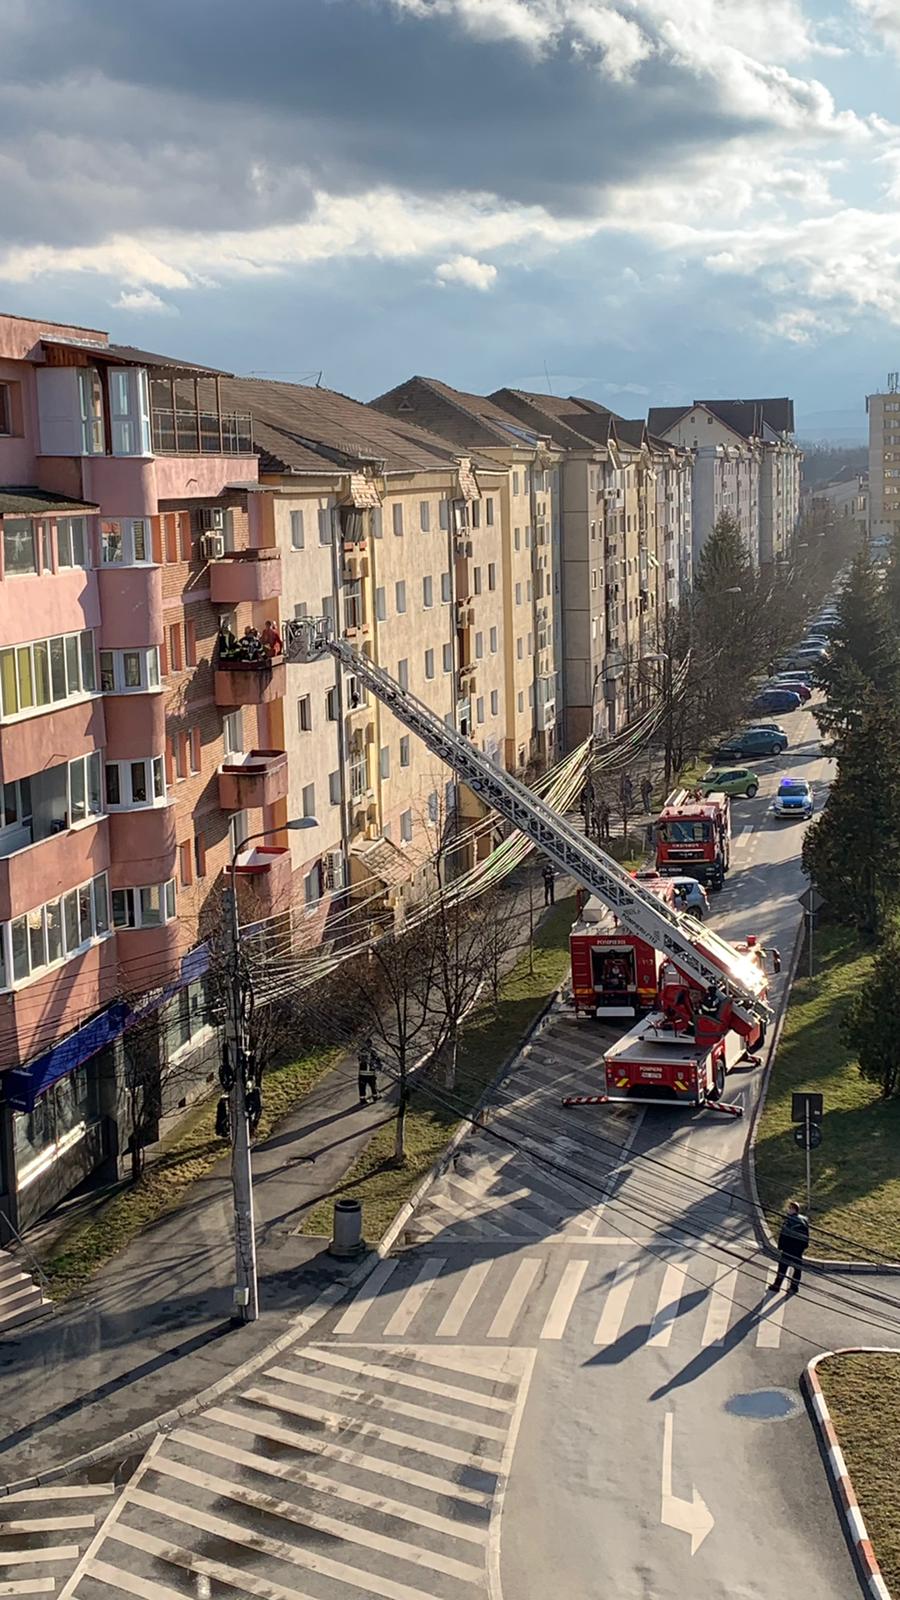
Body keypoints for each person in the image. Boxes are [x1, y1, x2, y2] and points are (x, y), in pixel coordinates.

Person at [771, 1200, 809, 1294]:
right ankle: (794, 1287)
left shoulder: (789, 1221)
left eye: (790, 1208)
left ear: (794, 1209)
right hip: (799, 1249)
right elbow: (807, 1235)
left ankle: (777, 1285)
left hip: (788, 1248)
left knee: (782, 1267)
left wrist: (781, 1246)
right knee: (797, 1268)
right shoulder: (804, 1220)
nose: (788, 1210)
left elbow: (783, 1235)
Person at [357, 1040, 379, 1106]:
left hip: (362, 1074)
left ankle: (362, 1099)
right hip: (371, 1074)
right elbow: (377, 1061)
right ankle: (375, 1097)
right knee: (373, 1086)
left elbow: (359, 1059)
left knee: (362, 1087)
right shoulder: (373, 1052)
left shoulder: (361, 1052)